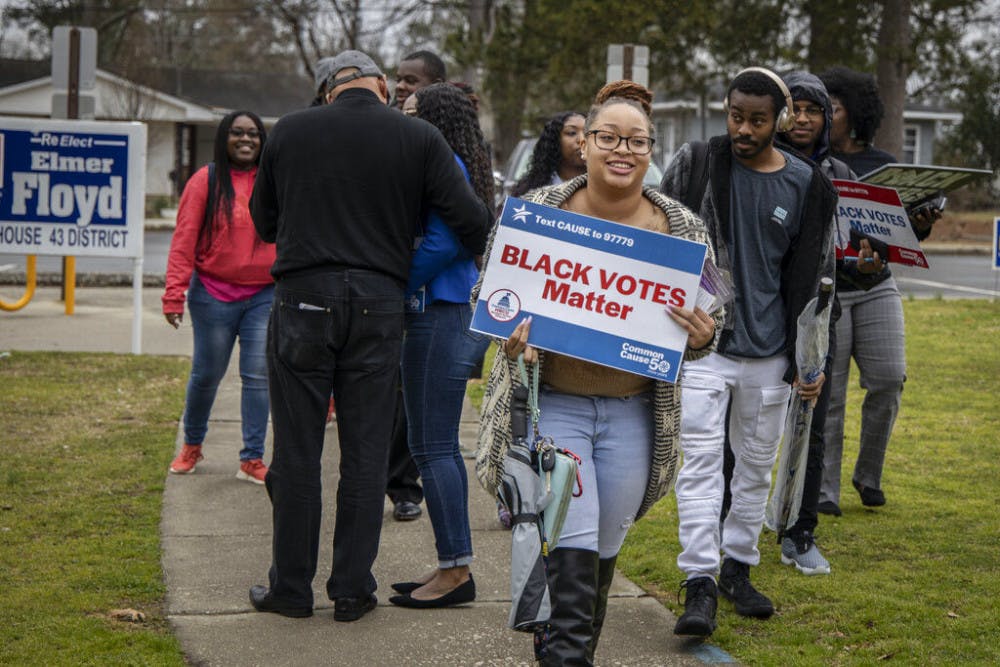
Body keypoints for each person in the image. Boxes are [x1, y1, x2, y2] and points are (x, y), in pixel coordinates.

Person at [476, 80, 721, 665]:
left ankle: (561, 636)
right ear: (583, 143)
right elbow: (487, 296)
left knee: (605, 542)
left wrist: (704, 335)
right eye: (608, 137)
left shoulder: (683, 229)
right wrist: (508, 339)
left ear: (651, 150)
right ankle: (565, 653)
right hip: (554, 403)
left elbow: (714, 312)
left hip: (635, 410)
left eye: (637, 141)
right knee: (571, 538)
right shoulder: (537, 214)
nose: (622, 150)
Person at [247, 49, 491, 622]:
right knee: (364, 454)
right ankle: (353, 590)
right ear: (381, 84)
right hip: (380, 305)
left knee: (300, 452)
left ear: (329, 89)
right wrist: (390, 261)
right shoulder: (419, 139)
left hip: (303, 298)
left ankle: (291, 589)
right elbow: (473, 222)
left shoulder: (291, 131)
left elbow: (264, 221)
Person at [660, 67, 837, 637]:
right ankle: (700, 583)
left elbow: (817, 278)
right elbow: (656, 234)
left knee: (756, 470)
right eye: (736, 115)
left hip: (771, 354)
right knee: (702, 467)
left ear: (779, 119)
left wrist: (810, 359)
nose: (743, 128)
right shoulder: (696, 164)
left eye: (757, 120)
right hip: (703, 345)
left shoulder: (808, 184)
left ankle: (738, 568)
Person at [772, 70, 887, 575]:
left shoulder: (840, 173)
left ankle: (801, 532)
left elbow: (845, 256)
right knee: (750, 426)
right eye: (793, 107)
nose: (802, 118)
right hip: (761, 314)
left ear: (825, 119)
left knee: (812, 427)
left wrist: (863, 265)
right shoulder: (757, 163)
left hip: (818, 317)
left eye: (812, 110)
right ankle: (738, 529)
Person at [816, 66, 940, 515]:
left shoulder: (887, 165)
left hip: (876, 286)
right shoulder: (813, 162)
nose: (827, 115)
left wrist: (918, 225)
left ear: (857, 113)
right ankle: (824, 491)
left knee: (889, 379)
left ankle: (868, 476)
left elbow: (900, 235)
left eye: (835, 107)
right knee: (828, 397)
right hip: (829, 292)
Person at [388, 83, 494, 609]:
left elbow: (446, 239)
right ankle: (451, 563)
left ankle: (456, 572)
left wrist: (394, 282)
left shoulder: (443, 158)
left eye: (412, 114)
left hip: (443, 311)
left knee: (434, 447)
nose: (403, 123)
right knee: (434, 445)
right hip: (440, 312)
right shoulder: (450, 157)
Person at [163, 110, 274, 486]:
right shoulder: (204, 181)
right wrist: (173, 294)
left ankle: (252, 458)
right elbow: (183, 240)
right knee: (207, 374)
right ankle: (192, 445)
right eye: (237, 133)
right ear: (224, 138)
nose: (246, 140)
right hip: (212, 295)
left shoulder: (274, 181)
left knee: (258, 376)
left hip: (264, 295)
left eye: (254, 134)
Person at [385, 49, 452, 523]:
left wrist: (401, 280)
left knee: (410, 398)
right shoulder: (386, 134)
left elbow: (453, 233)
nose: (402, 87)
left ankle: (404, 485)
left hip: (420, 291)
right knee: (385, 390)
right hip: (383, 284)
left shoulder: (452, 149)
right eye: (399, 79)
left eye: (414, 81)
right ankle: (378, 479)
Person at [511, 111, 588, 197]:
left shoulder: (603, 188)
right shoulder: (530, 192)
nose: (582, 139)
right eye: (571, 133)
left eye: (587, 133)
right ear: (555, 142)